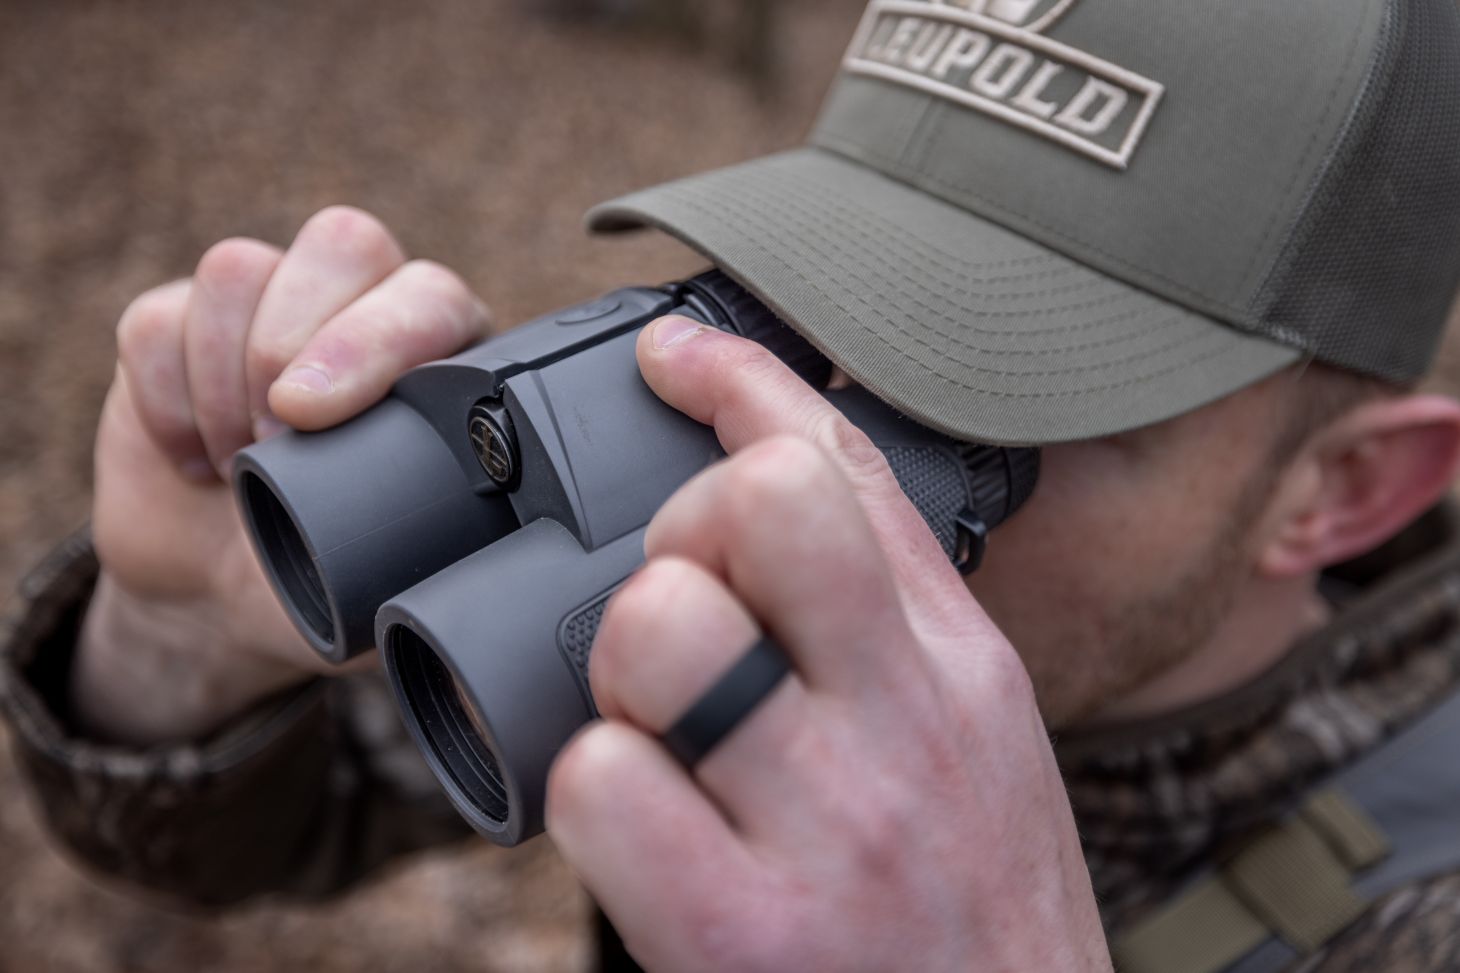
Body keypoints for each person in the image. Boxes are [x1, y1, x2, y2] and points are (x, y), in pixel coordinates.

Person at [5, 0, 1460, 969]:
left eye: (991, 404)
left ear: (1340, 496)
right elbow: (282, 822)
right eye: (798, 302)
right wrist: (177, 637)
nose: (790, 452)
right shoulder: (725, 584)